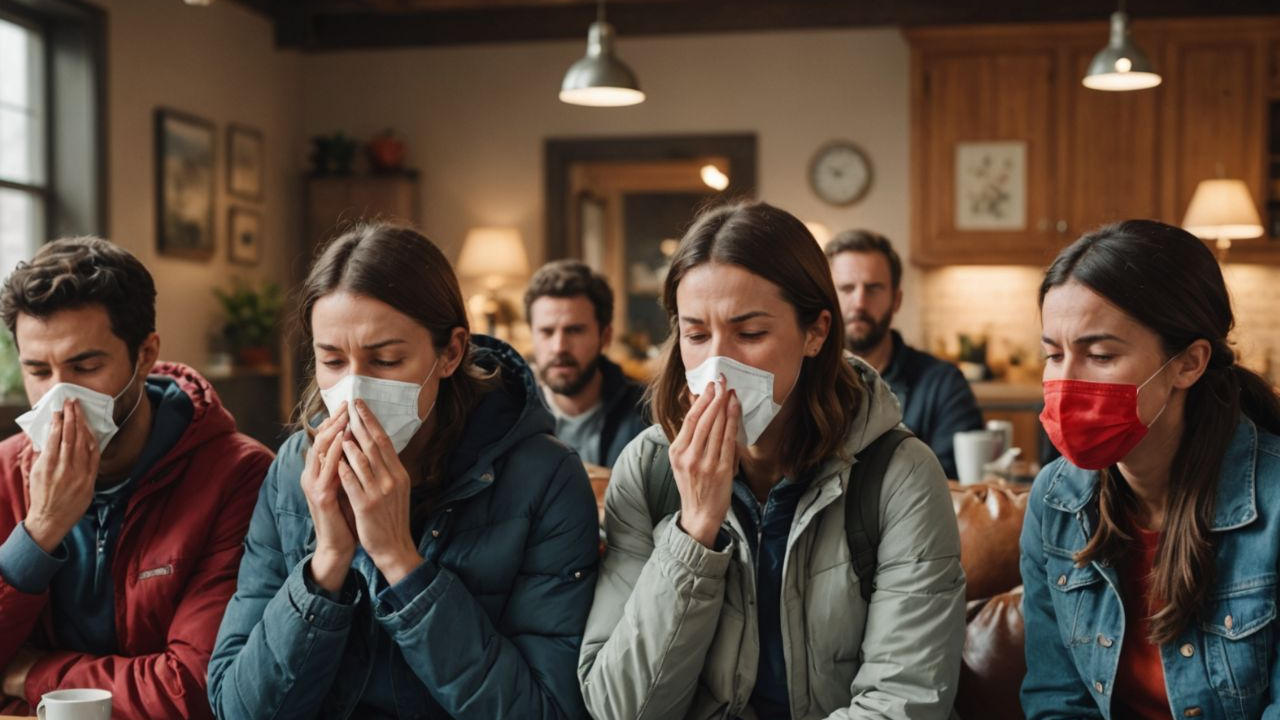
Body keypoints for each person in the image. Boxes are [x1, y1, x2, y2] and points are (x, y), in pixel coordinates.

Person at [579, 202, 965, 719]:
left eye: (750, 334)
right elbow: (621, 709)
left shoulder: (902, 474)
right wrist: (693, 534)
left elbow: (903, 700)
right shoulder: (647, 471)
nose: (718, 367)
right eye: (697, 335)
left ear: (816, 332)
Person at [208, 223, 599, 720]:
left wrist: (401, 563)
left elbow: (546, 711)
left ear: (450, 352)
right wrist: (326, 563)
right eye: (332, 361)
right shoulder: (293, 469)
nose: (354, 390)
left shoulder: (545, 479)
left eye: (387, 360)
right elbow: (237, 708)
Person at [0, 237, 273, 718]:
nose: (60, 396)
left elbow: (194, 687)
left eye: (86, 366)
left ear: (145, 355)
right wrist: (39, 532)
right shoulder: (4, 472)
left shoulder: (239, 476)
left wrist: (31, 674)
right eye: (38, 371)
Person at [1020, 220, 1280, 719]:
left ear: (1189, 363)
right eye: (1053, 354)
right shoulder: (1054, 500)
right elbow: (1056, 700)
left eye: (1100, 355)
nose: (1066, 382)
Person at [825, 230, 983, 478]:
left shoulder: (943, 384)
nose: (859, 303)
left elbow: (952, 482)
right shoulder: (804, 380)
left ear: (896, 299)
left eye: (873, 288)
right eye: (846, 288)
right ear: (827, 298)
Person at [524, 260, 648, 468]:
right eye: (547, 332)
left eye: (574, 330)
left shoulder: (647, 415)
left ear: (605, 336)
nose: (559, 347)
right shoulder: (511, 417)